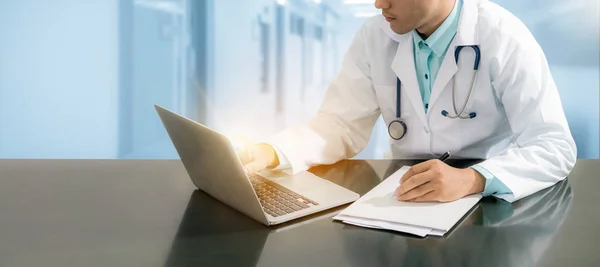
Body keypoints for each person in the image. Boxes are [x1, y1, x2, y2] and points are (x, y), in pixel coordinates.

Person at [237, 0, 576, 203]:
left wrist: (474, 179)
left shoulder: (503, 36)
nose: (378, 3)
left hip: (490, 205)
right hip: (404, 199)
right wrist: (270, 151)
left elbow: (553, 145)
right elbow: (339, 125)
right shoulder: (374, 37)